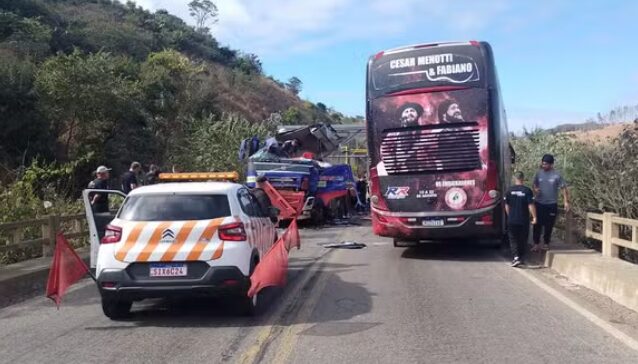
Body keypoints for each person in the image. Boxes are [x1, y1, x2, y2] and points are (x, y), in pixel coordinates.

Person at [532, 154, 570, 251]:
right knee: (537, 225)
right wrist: (535, 190)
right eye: (543, 163)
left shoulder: (557, 175)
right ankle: (536, 244)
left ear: (551, 164)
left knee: (549, 225)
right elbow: (534, 185)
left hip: (551, 204)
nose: (544, 165)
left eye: (546, 164)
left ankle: (546, 243)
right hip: (539, 203)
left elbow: (563, 188)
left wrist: (566, 202)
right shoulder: (538, 173)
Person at [505, 171, 537, 267]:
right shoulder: (527, 191)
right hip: (523, 220)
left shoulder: (509, 191)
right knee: (523, 239)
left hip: (512, 219)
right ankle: (521, 258)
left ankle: (516, 257)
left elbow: (507, 206)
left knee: (513, 239)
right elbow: (530, 205)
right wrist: (535, 217)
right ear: (523, 178)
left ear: (515, 178)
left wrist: (509, 215)